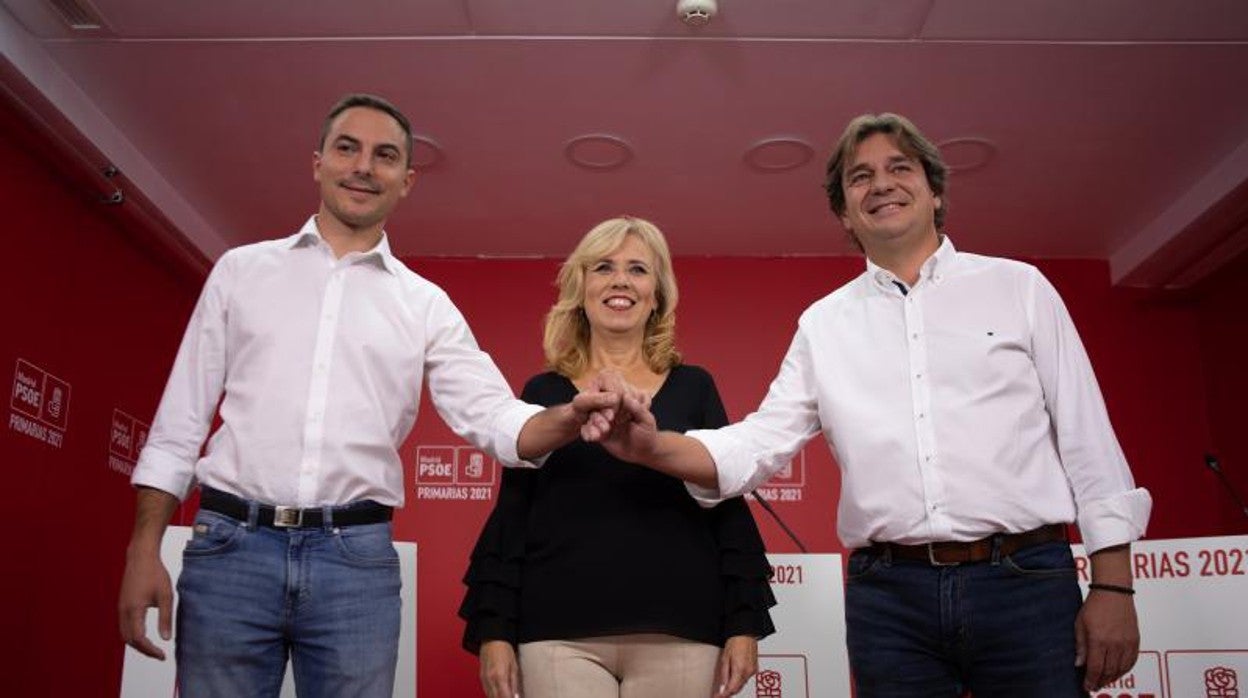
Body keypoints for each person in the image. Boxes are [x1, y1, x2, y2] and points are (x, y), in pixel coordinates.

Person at [583, 114, 1152, 697]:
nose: (880, 184)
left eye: (898, 167)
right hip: (890, 599)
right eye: (860, 177)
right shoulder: (824, 324)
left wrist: (1114, 588)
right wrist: (654, 447)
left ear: (934, 191)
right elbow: (760, 442)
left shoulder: (1020, 289)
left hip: (1026, 584)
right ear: (845, 213)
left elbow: (1088, 441)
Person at [116, 93, 622, 698]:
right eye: (347, 148)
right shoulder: (240, 273)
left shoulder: (423, 303)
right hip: (230, 552)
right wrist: (144, 548)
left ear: (405, 181)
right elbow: (180, 422)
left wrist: (570, 414)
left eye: (384, 156)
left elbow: (492, 416)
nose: (363, 167)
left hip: (353, 564)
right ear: (318, 162)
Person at [459, 216, 776, 698]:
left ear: (657, 294)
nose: (621, 280)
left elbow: (727, 507)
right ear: (580, 288)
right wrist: (494, 631)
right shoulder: (542, 393)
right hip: (556, 632)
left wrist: (744, 623)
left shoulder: (696, 387)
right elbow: (512, 515)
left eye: (638, 270)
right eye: (604, 266)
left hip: (682, 632)